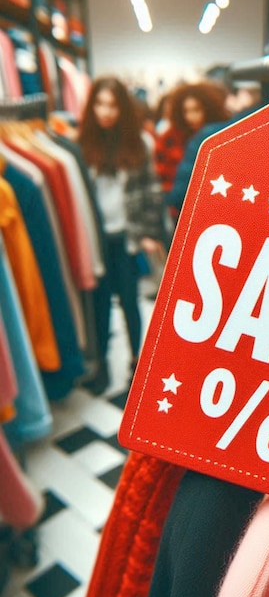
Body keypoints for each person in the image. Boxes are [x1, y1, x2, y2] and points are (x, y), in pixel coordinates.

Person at [78, 76, 165, 395]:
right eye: (100, 104)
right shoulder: (83, 143)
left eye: (112, 105)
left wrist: (148, 232)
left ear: (122, 108)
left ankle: (135, 363)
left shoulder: (140, 142)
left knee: (130, 301)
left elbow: (150, 189)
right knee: (99, 302)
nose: (106, 111)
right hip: (96, 237)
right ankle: (100, 364)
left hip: (127, 235)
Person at [155, 81, 230, 224]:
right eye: (186, 111)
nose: (190, 117)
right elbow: (164, 180)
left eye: (196, 110)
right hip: (180, 213)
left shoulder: (221, 135)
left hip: (215, 212)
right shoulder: (169, 139)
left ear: (208, 109)